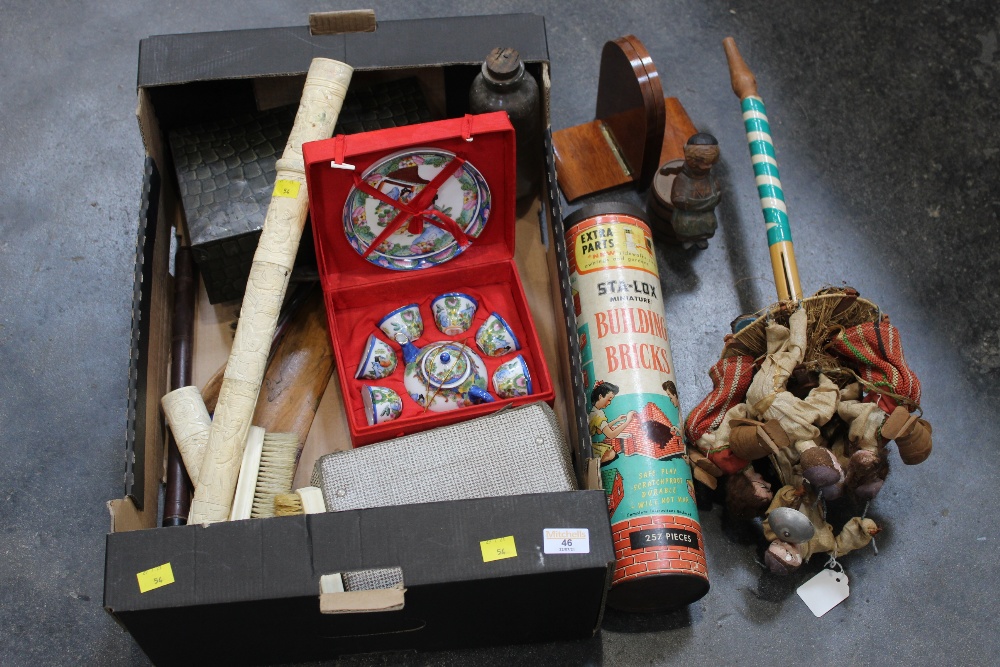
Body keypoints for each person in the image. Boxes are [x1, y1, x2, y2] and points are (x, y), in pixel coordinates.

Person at [589, 381, 638, 464]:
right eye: (609, 399)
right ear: (600, 396)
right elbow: (611, 435)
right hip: (588, 446)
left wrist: (617, 420)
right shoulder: (598, 414)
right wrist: (627, 421)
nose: (609, 403)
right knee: (611, 454)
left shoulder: (594, 411)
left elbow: (600, 430)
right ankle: (593, 464)